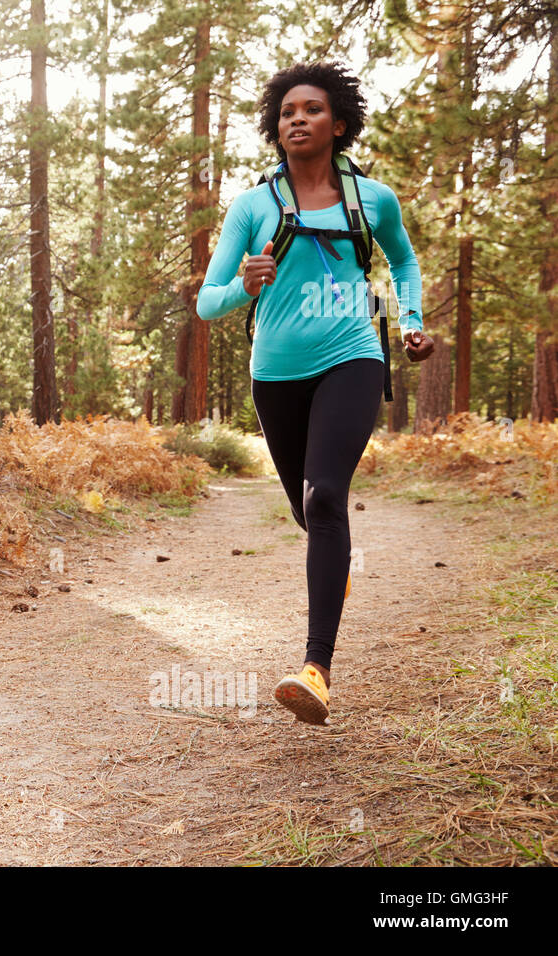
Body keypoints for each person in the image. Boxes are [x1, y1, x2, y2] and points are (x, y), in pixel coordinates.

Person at [195, 61, 434, 726]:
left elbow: (404, 261)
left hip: (352, 354)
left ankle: (315, 670)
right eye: (286, 111)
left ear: (339, 123)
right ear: (276, 127)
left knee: (326, 496)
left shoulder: (373, 200)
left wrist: (410, 322)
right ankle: (337, 562)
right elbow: (207, 304)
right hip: (275, 375)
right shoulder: (252, 206)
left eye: (312, 109)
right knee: (310, 515)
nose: (296, 118)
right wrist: (246, 283)